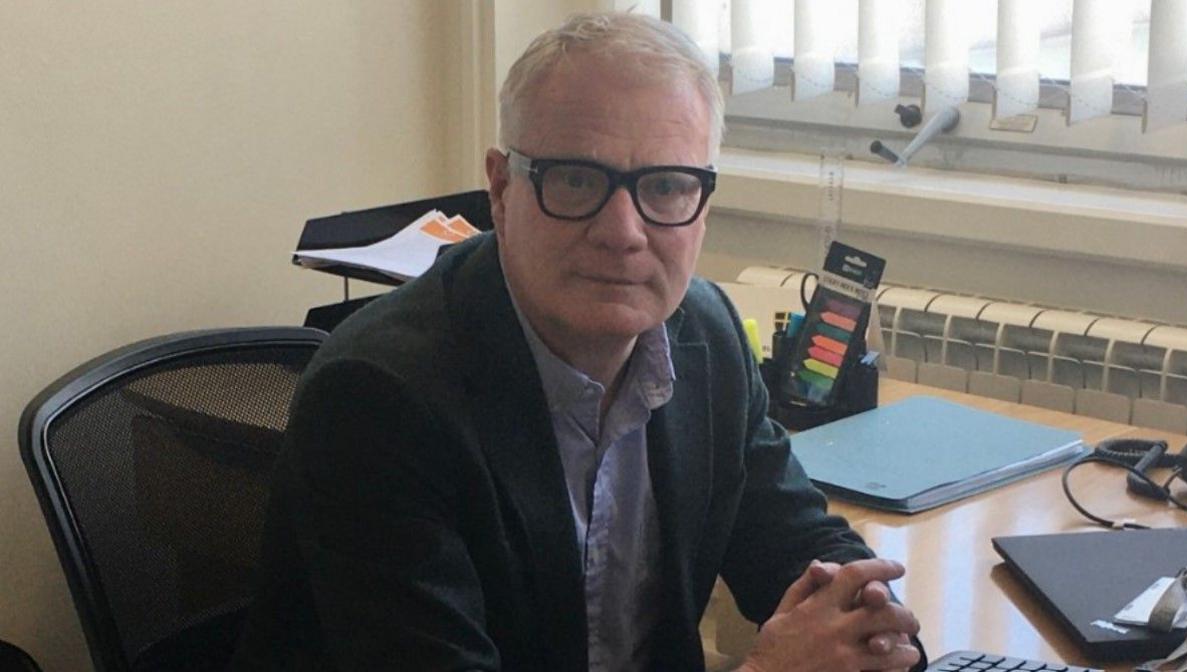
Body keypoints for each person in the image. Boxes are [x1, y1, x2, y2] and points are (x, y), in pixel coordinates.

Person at [233, 11, 923, 672]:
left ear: (703, 208)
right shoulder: (376, 400)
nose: (623, 230)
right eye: (575, 179)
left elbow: (799, 543)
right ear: (501, 190)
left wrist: (870, 623)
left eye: (667, 186)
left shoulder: (705, 336)